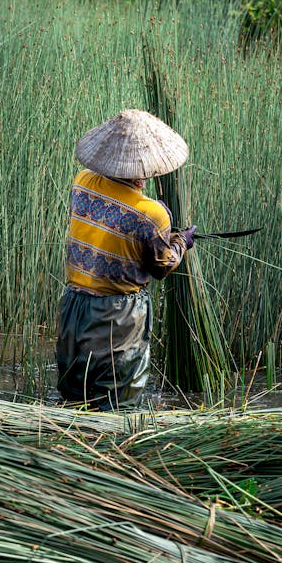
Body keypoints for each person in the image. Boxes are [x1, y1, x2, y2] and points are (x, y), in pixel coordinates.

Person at [55, 109, 196, 410]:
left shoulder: (81, 182)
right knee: (118, 402)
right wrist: (181, 242)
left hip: (73, 307)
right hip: (116, 316)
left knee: (74, 397)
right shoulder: (152, 214)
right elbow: (161, 266)